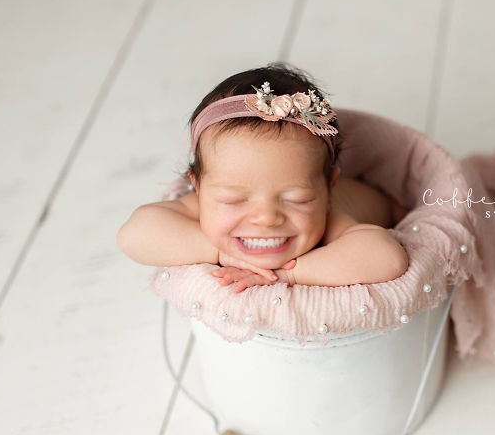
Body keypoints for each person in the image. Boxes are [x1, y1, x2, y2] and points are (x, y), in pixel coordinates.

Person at [117, 62, 411, 291]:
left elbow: (387, 257)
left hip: (392, 208)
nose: (267, 218)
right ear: (197, 186)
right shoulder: (200, 205)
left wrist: (287, 274)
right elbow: (133, 234)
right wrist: (219, 253)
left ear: (328, 187)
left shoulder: (333, 217)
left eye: (297, 199)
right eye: (233, 200)